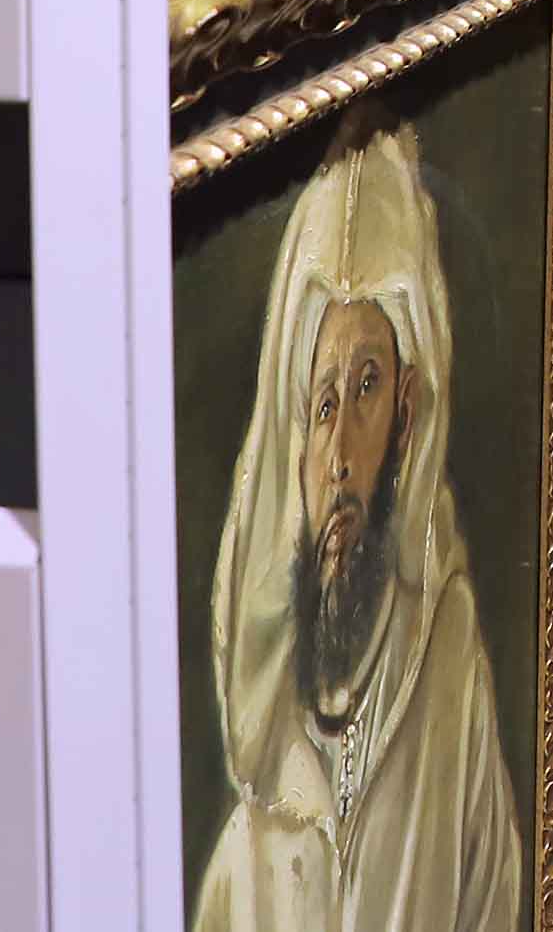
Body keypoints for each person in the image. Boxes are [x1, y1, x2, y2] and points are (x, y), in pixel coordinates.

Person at [195, 123, 525, 932]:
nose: (339, 456)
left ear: (408, 413)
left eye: (367, 388)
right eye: (323, 404)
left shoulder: (447, 665)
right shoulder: (267, 726)